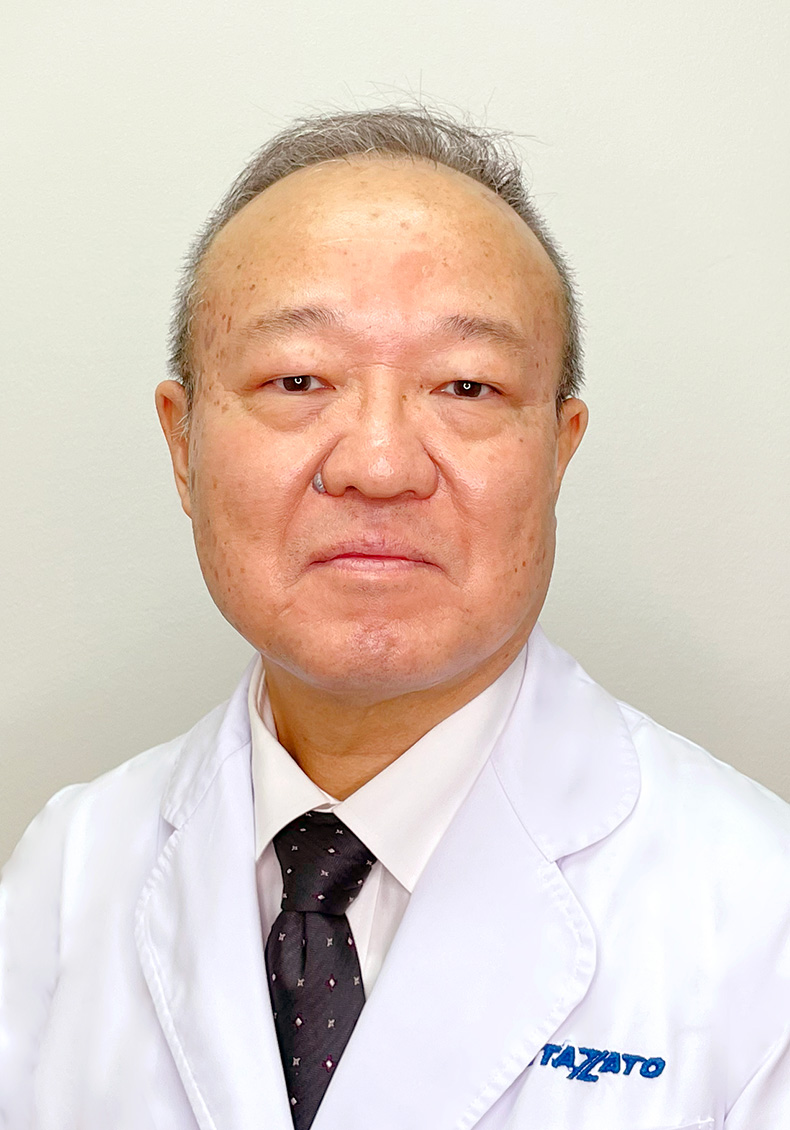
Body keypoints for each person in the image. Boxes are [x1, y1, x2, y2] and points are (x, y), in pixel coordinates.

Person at [1, 106, 789, 1130]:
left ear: (559, 448)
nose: (378, 464)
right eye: (297, 378)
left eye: (467, 385)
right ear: (182, 443)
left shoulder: (760, 913)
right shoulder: (69, 870)